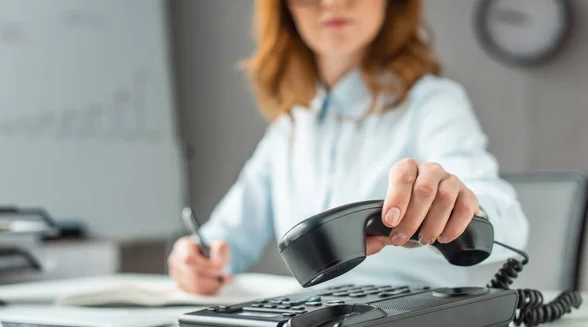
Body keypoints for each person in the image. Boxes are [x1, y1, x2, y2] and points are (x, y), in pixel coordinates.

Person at [167, 0, 528, 295]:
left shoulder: (432, 103)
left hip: (411, 323)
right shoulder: (291, 125)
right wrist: (195, 260)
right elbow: (225, 242)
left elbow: (510, 223)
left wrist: (459, 207)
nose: (333, 3)